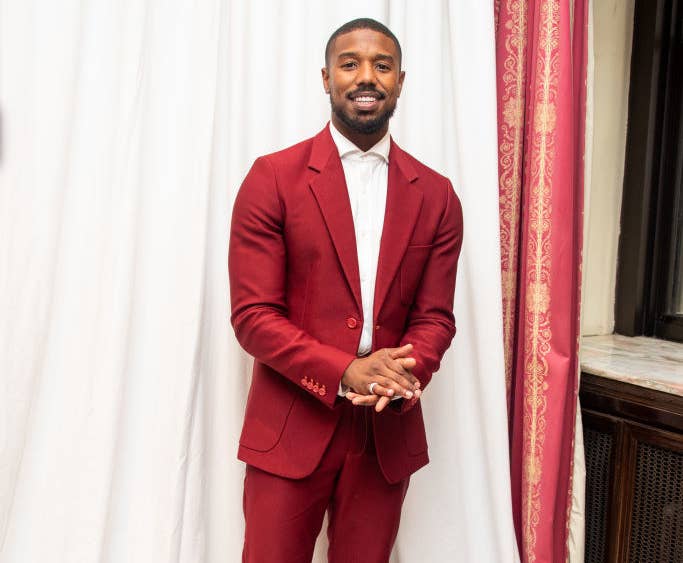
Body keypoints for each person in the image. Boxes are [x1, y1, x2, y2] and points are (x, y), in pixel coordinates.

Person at [229, 17, 463, 563]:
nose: (366, 77)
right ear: (326, 77)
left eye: (382, 66)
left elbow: (436, 317)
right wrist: (344, 371)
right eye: (350, 63)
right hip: (291, 424)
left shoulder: (437, 195)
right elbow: (253, 316)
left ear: (400, 80)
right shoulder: (272, 178)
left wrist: (404, 371)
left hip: (385, 435)